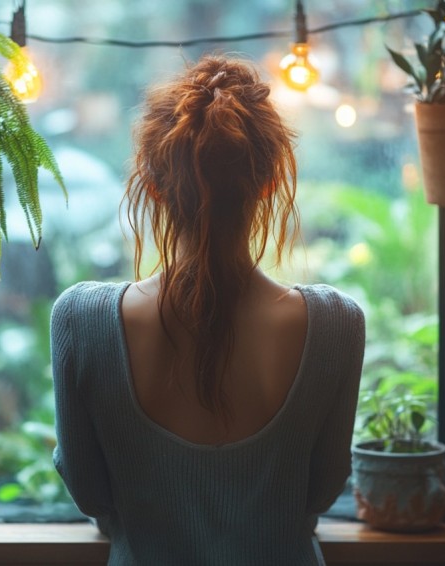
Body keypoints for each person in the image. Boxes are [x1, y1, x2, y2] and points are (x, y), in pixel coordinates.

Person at [51, 54, 365, 566]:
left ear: (151, 186)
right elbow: (323, 488)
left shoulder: (82, 321)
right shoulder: (335, 325)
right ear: (268, 182)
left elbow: (89, 492)